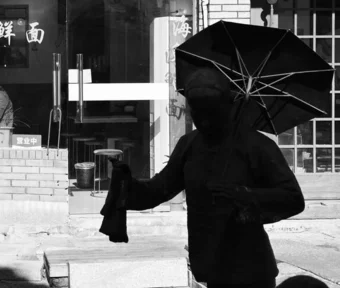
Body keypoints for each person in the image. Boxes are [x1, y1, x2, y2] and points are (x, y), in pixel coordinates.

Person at [102, 67, 305, 288]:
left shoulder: (256, 145)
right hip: (211, 263)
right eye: (197, 111)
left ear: (228, 105)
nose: (204, 119)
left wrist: (245, 195)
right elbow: (159, 190)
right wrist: (126, 183)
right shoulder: (189, 145)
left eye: (211, 111)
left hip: (251, 267)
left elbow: (293, 198)